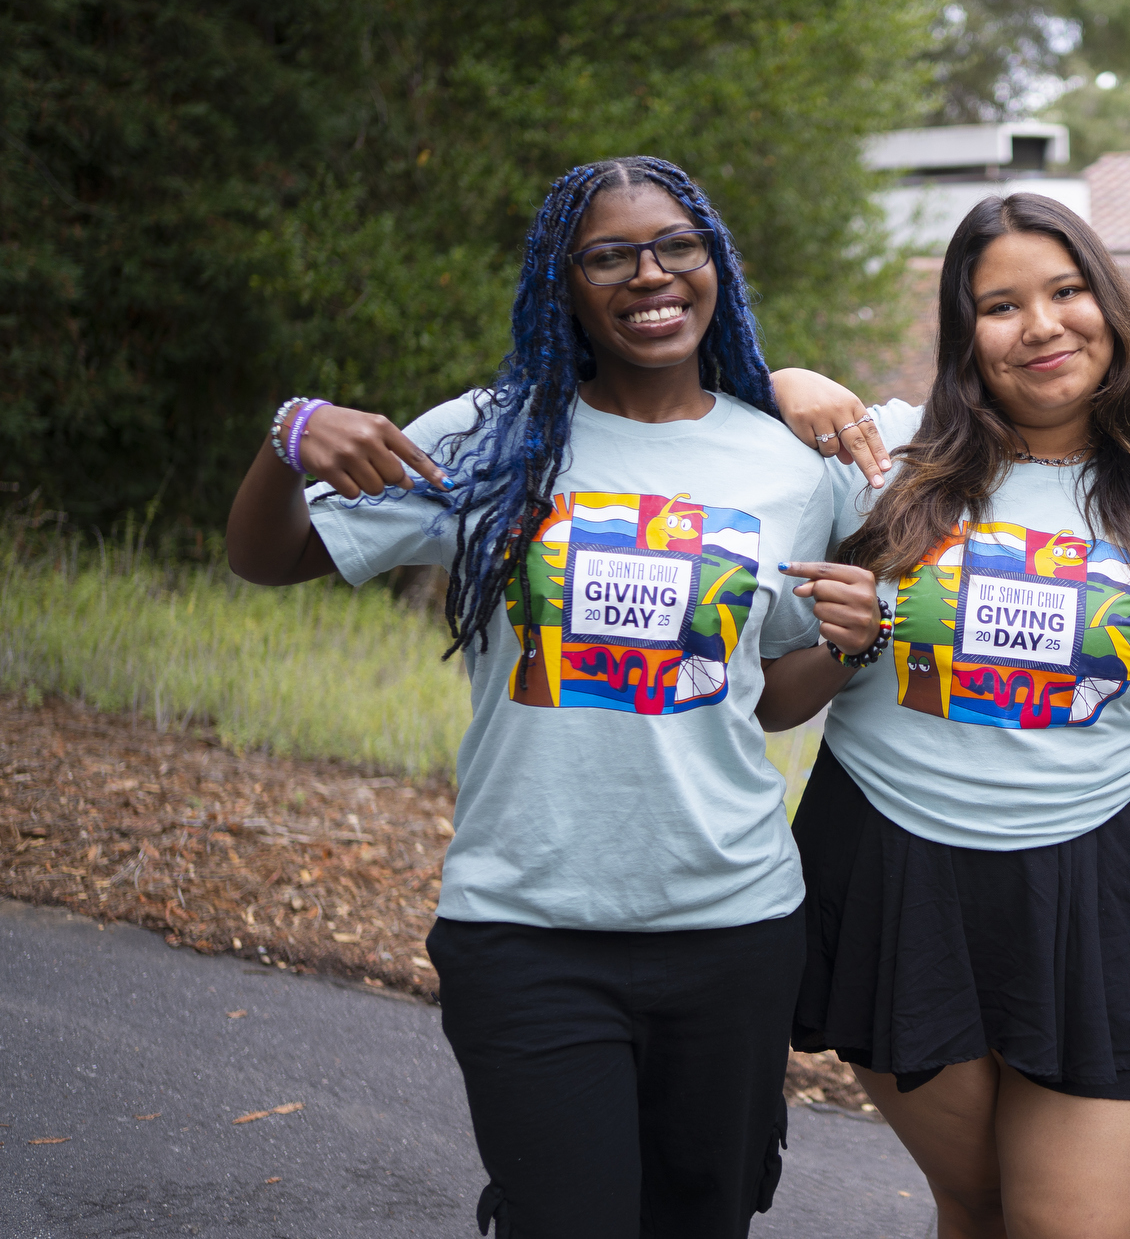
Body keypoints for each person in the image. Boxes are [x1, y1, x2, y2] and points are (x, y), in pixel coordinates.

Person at [223, 155, 882, 1239]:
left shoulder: (785, 466)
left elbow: (764, 703)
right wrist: (286, 438)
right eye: (608, 255)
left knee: (702, 1219)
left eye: (676, 245)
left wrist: (855, 646)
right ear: (562, 283)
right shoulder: (490, 440)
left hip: (732, 926)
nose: (649, 273)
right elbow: (268, 558)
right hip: (524, 925)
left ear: (713, 263)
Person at [760, 192, 1130, 1239]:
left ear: (1107, 306)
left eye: (1066, 291)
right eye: (1000, 304)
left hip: (1105, 891)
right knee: (976, 1206)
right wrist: (776, 381)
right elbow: (698, 424)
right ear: (962, 332)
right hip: (898, 876)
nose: (1041, 325)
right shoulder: (883, 456)